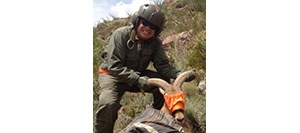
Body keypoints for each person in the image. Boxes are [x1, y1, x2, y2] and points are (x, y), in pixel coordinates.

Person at [94, 3, 195, 133]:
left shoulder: (155, 42)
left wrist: (180, 74)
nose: (147, 28)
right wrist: (138, 79)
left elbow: (162, 66)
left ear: (157, 30)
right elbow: (114, 66)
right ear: (137, 21)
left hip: (138, 75)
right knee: (108, 103)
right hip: (112, 76)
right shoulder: (120, 35)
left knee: (164, 83)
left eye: (153, 27)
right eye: (145, 23)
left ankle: (158, 120)